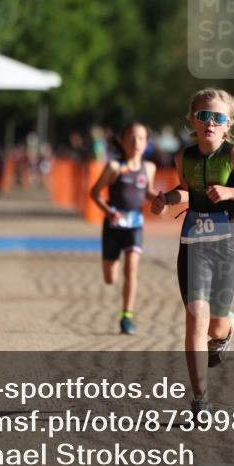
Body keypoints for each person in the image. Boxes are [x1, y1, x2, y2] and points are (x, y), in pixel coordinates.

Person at [151, 88, 234, 419]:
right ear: (192, 120)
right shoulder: (183, 157)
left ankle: (228, 327)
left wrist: (232, 191)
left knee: (215, 326)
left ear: (228, 123)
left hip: (227, 245)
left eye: (218, 118)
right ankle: (199, 401)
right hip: (193, 244)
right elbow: (187, 192)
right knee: (196, 319)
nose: (210, 123)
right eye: (204, 115)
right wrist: (167, 200)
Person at [89, 123, 159, 335]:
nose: (136, 142)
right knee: (111, 278)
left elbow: (148, 192)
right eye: (131, 138)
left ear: (146, 143)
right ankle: (112, 263)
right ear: (123, 141)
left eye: (140, 138)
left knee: (132, 269)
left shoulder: (149, 168)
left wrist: (161, 200)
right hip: (113, 225)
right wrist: (109, 211)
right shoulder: (114, 167)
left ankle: (127, 316)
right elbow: (95, 193)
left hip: (135, 224)